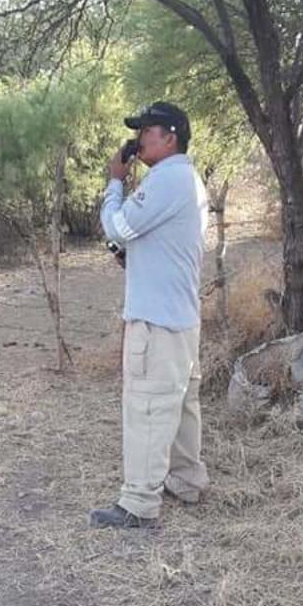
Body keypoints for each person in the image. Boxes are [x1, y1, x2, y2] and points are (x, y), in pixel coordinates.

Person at [90, 102, 210, 529]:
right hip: (181, 317)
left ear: (170, 136)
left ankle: (138, 504)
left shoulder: (166, 178)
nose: (138, 140)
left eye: (146, 131)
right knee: (180, 406)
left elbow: (117, 228)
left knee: (146, 406)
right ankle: (185, 480)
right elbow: (160, 244)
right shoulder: (188, 180)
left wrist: (114, 184)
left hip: (155, 321)